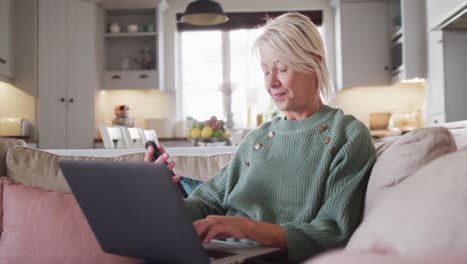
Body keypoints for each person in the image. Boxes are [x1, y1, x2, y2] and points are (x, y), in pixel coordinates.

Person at [145, 12, 376, 263]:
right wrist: (161, 198)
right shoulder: (259, 139)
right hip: (216, 252)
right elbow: (204, 204)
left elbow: (332, 233)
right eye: (266, 71)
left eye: (282, 69)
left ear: (314, 64)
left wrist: (247, 228)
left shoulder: (347, 135)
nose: (272, 83)